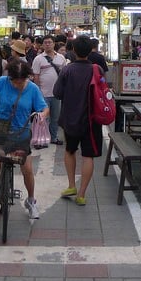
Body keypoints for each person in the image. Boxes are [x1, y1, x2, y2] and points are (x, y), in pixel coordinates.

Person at [0, 60, 49, 219]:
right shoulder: (2, 82)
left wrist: (42, 115)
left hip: (21, 131)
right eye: (15, 81)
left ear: (26, 78)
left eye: (21, 81)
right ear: (9, 77)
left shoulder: (32, 89)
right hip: (1, 129)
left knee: (28, 168)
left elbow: (44, 108)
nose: (17, 84)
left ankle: (31, 201)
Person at [55, 35, 102, 206]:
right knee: (88, 156)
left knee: (70, 150)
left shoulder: (67, 70)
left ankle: (71, 185)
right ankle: (81, 194)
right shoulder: (97, 69)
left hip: (71, 118)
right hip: (92, 120)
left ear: (73, 50)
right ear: (90, 50)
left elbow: (57, 93)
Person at [31, 36, 66, 146]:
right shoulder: (38, 59)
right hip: (43, 94)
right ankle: (42, 139)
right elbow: (35, 76)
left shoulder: (61, 58)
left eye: (49, 42)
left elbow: (64, 75)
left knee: (55, 118)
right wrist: (38, 92)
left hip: (57, 94)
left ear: (54, 43)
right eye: (45, 43)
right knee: (43, 118)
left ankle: (53, 137)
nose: (47, 44)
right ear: (42, 45)